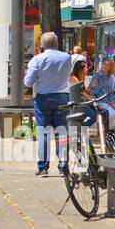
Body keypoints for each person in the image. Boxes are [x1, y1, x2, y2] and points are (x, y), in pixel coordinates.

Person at [23, 31, 73, 177]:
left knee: (43, 133)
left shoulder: (37, 59)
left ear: (42, 45)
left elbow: (28, 82)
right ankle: (63, 166)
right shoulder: (66, 57)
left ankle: (43, 167)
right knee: (62, 132)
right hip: (63, 97)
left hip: (43, 98)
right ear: (56, 43)